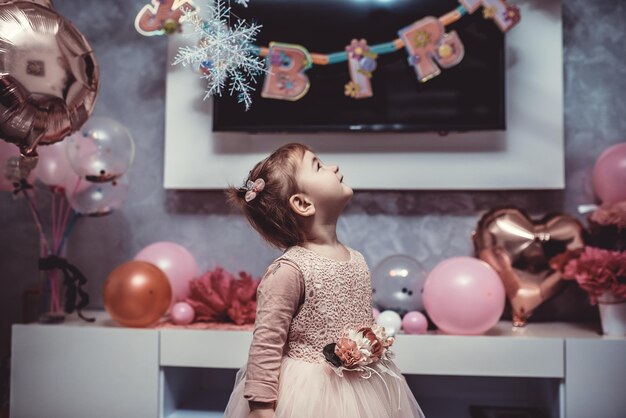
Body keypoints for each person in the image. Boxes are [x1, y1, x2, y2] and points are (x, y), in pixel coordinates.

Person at [224, 143, 424, 418]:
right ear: (303, 203)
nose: (335, 168)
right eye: (318, 166)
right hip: (311, 396)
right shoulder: (290, 269)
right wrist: (261, 407)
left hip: (366, 389)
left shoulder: (357, 259)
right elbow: (267, 341)